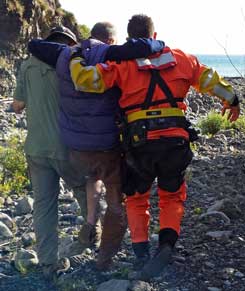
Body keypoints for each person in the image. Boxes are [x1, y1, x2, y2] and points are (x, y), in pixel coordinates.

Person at [69, 14, 241, 279]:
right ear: (155, 36)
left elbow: (85, 80)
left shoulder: (121, 63)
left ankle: (140, 252)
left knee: (137, 198)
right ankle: (167, 245)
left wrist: (75, 57)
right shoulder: (182, 58)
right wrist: (232, 98)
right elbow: (209, 79)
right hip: (175, 140)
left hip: (140, 143)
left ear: (128, 39)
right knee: (172, 195)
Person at [27, 21, 165, 270]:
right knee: (115, 202)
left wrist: (73, 48)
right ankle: (103, 259)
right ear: (111, 41)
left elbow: (34, 44)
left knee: (82, 183)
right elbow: (143, 47)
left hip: (76, 150)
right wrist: (160, 43)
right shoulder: (110, 54)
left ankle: (83, 230)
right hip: (105, 148)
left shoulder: (64, 54)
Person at [12, 26, 102, 279]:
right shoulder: (72, 63)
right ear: (69, 43)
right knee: (85, 191)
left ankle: (48, 264)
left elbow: (18, 105)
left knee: (44, 206)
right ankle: (95, 242)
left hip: (37, 149)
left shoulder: (27, 65)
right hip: (67, 147)